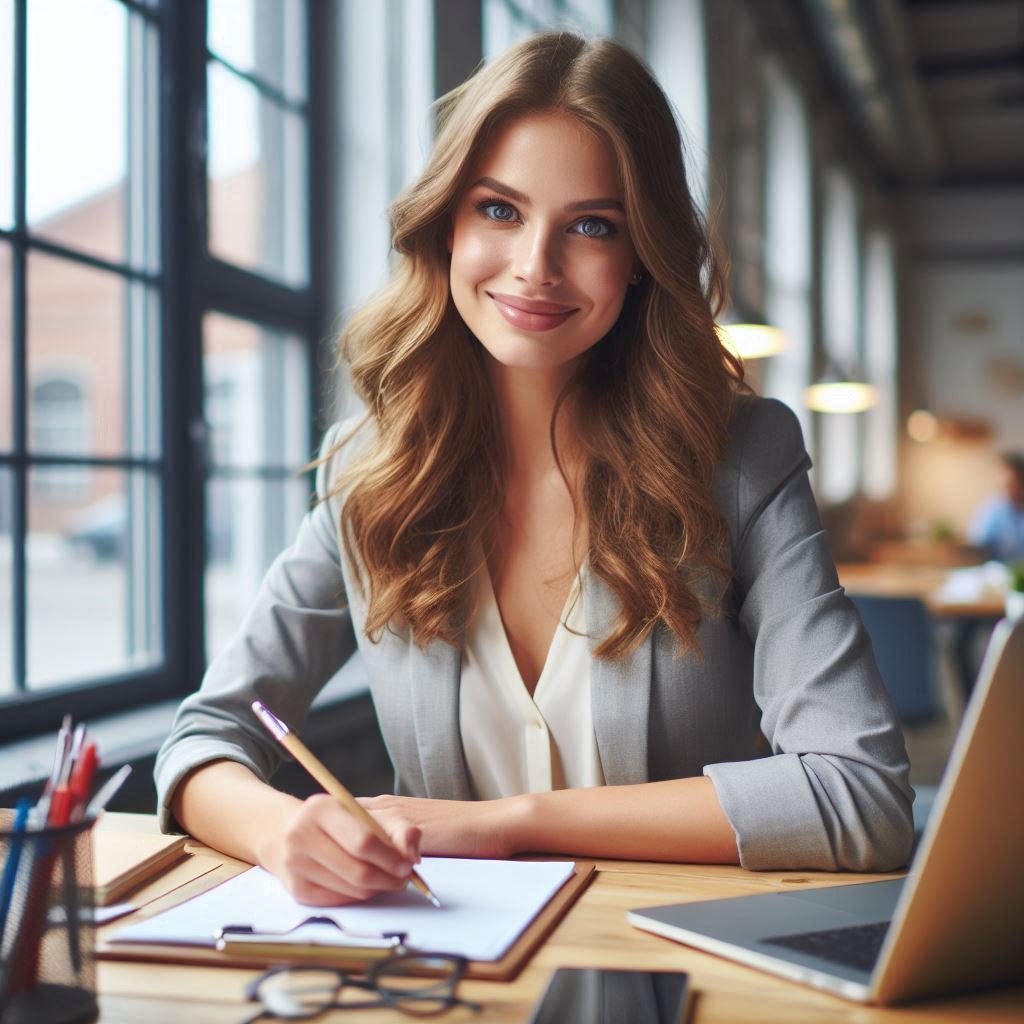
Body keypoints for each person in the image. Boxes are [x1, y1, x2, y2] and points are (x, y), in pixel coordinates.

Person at [155, 32, 913, 907]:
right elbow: (207, 737)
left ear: (640, 259)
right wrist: (278, 831)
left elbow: (862, 795)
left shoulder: (742, 459)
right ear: (445, 225)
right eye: (499, 210)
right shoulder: (369, 479)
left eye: (592, 225)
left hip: (669, 969)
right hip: (446, 977)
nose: (535, 266)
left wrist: (514, 821)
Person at [968, 452, 1024, 564]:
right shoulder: (991, 510)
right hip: (996, 572)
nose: (1007, 487)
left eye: (1014, 482)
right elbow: (977, 546)